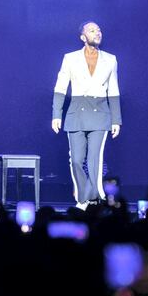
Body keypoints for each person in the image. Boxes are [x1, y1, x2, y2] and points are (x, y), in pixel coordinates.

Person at [52, 21, 121, 210]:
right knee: (75, 159)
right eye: (92, 30)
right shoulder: (70, 58)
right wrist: (56, 114)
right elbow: (60, 87)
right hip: (77, 112)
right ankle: (84, 196)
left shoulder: (111, 59)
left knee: (94, 159)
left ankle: (88, 200)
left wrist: (116, 119)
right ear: (83, 37)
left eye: (99, 29)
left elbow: (113, 90)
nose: (97, 32)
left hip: (100, 113)